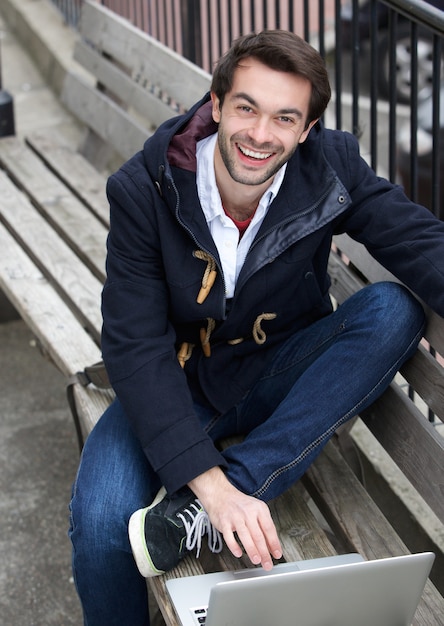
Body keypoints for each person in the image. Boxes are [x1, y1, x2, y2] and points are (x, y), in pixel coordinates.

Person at [69, 30, 444, 625]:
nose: (260, 134)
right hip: (179, 381)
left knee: (392, 310)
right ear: (216, 105)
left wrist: (225, 490)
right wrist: (210, 488)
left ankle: (211, 503)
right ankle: (208, 504)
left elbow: (415, 237)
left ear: (307, 129)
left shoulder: (330, 167)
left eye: (284, 117)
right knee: (102, 525)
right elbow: (134, 345)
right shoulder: (145, 188)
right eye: (246, 107)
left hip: (280, 370)